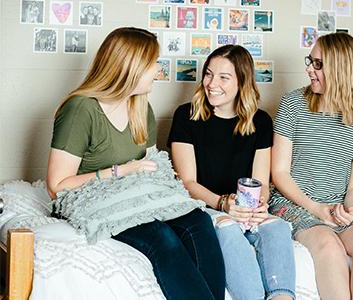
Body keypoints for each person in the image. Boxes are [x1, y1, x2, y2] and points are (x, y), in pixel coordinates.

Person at [46, 27, 225, 300]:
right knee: (161, 237)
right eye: (153, 64)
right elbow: (56, 186)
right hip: (95, 201)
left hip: (135, 194)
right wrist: (119, 171)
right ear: (132, 66)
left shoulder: (141, 108)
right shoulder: (81, 109)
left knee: (199, 223)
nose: (158, 70)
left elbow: (151, 165)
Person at [168, 44, 296, 300]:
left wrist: (260, 204)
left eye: (224, 77)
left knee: (277, 227)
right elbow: (187, 182)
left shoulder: (260, 122)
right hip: (205, 208)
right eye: (208, 74)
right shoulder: (186, 116)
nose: (212, 83)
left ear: (242, 82)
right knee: (227, 228)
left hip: (243, 208)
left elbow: (261, 182)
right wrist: (222, 203)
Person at [270, 32, 353, 300]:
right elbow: (280, 173)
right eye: (310, 61)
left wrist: (350, 209)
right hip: (295, 202)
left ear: (340, 68)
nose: (309, 69)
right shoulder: (293, 104)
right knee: (329, 246)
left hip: (336, 205)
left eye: (317, 64)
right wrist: (317, 209)